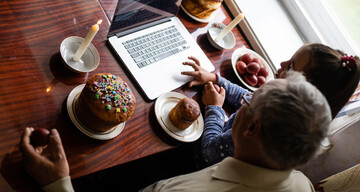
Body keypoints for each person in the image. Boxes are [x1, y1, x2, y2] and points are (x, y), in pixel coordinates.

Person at [20, 72, 331, 192]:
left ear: (251, 127)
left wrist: (58, 184)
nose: (244, 101)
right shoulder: (300, 185)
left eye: (249, 101)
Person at [181, 43, 360, 166]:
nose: (282, 63)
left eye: (291, 66)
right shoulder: (275, 101)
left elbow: (209, 152)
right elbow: (247, 96)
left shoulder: (260, 130)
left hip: (195, 161)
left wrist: (215, 109)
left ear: (304, 92)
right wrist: (216, 79)